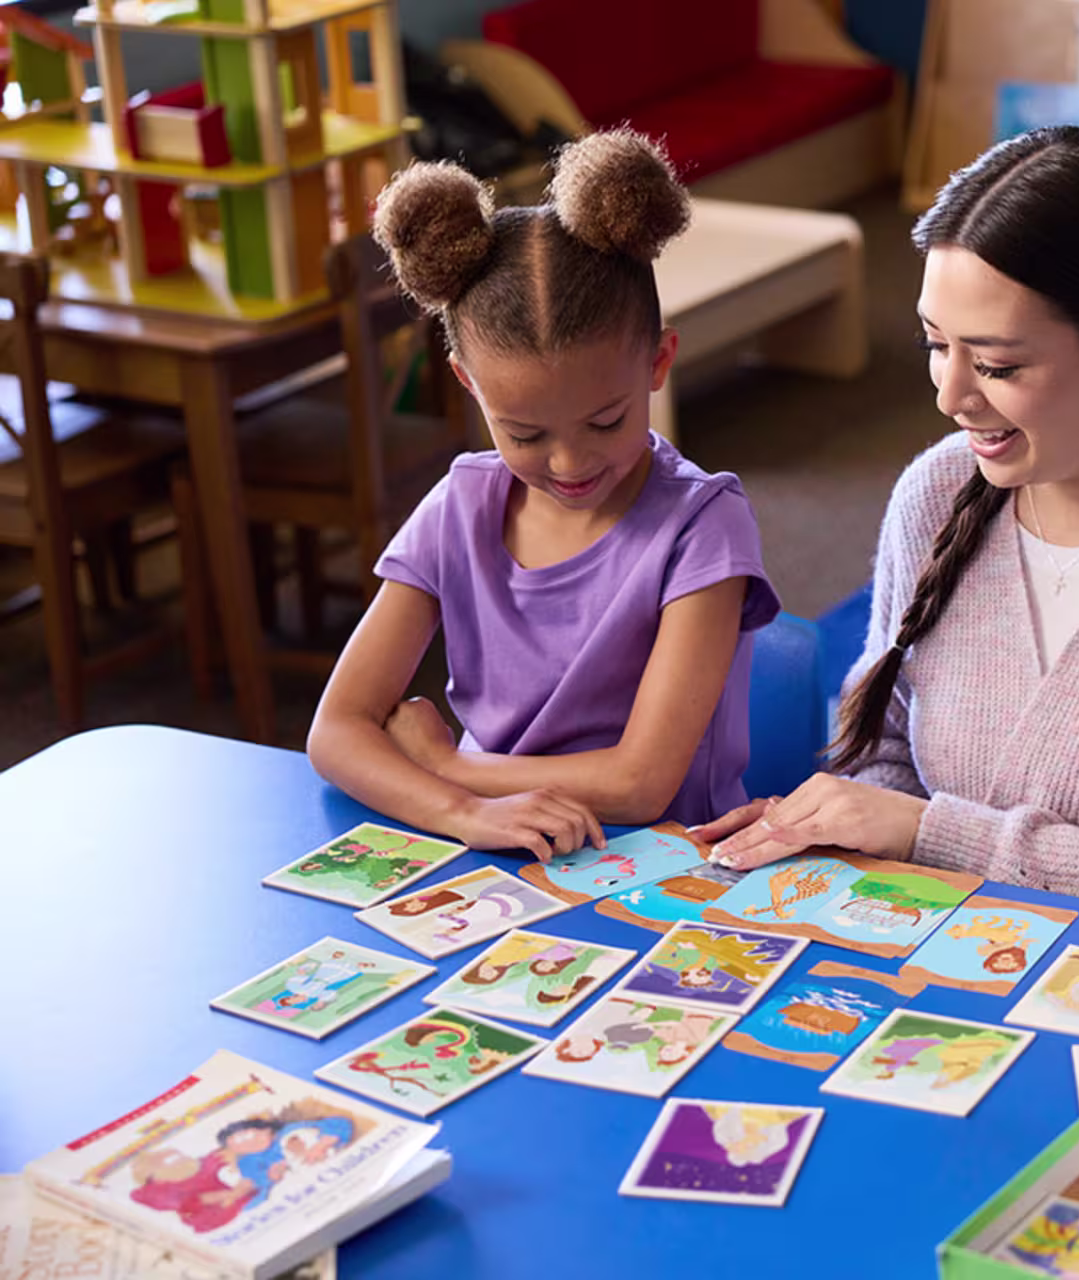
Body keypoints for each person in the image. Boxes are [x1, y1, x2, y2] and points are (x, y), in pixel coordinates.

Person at [693, 127, 1079, 916]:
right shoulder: (940, 489)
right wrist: (864, 832)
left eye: (997, 365)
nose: (950, 397)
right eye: (934, 343)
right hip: (938, 954)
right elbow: (879, 748)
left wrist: (929, 835)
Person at [307, 129, 779, 860]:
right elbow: (336, 730)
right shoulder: (460, 508)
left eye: (605, 421)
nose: (568, 463)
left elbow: (642, 782)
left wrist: (449, 768)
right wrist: (461, 812)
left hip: (675, 870)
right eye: (524, 434)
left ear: (658, 363)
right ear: (471, 385)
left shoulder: (703, 526)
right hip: (499, 849)